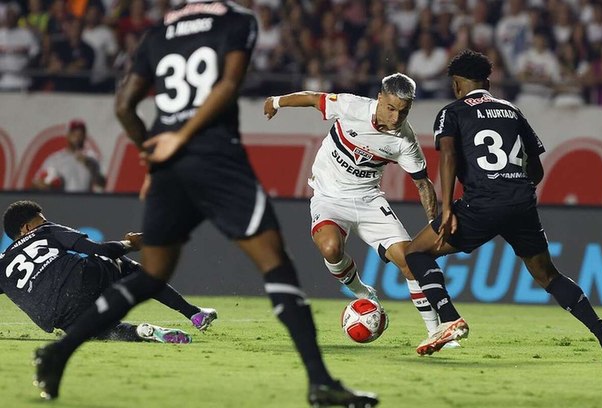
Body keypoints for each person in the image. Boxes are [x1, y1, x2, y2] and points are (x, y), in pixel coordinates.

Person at [33, 2, 378, 407]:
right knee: (275, 263)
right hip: (217, 160)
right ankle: (320, 383)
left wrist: (153, 155)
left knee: (150, 275)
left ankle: (58, 353)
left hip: (169, 169)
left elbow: (124, 106)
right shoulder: (237, 21)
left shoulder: (158, 32)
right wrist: (185, 137)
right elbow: (228, 86)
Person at [404, 50, 602, 363]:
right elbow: (536, 171)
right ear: (487, 80)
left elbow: (449, 156)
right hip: (520, 201)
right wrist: (512, 190)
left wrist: (446, 209)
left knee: (415, 252)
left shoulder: (451, 112)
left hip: (481, 202)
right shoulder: (512, 111)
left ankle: (449, 318)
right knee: (549, 276)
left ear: (457, 84)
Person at [264, 73, 460, 348]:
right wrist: (276, 101)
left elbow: (423, 184)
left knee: (409, 260)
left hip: (369, 201)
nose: (395, 118)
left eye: (403, 112)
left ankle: (435, 330)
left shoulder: (405, 141)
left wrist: (432, 222)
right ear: (380, 99)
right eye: (390, 108)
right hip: (329, 197)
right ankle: (363, 292)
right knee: (331, 248)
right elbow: (311, 98)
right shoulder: (350, 106)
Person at [1, 201, 217, 344]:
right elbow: (99, 250)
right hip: (79, 281)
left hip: (57, 316)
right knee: (126, 266)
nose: (46, 222)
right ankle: (194, 314)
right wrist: (130, 244)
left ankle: (142, 331)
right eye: (41, 219)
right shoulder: (45, 231)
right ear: (28, 228)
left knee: (101, 331)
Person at [33, 120, 106, 193]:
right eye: (73, 133)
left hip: (85, 201)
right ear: (68, 135)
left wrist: (90, 165)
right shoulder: (56, 159)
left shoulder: (92, 158)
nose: (77, 137)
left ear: (84, 136)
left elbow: (102, 184)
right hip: (63, 201)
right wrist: (47, 185)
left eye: (80, 134)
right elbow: (37, 182)